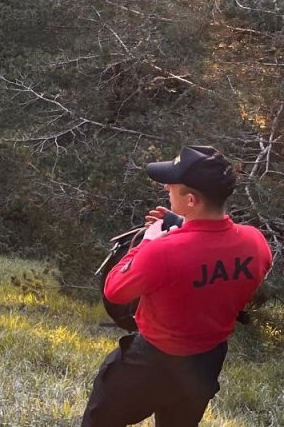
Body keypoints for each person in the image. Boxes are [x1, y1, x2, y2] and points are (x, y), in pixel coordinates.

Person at [82, 145, 274, 426]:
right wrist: (183, 226)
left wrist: (150, 240)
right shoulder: (256, 243)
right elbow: (212, 261)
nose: (166, 190)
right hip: (206, 362)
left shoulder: (162, 252)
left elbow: (115, 290)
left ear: (192, 200)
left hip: (150, 363)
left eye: (171, 186)